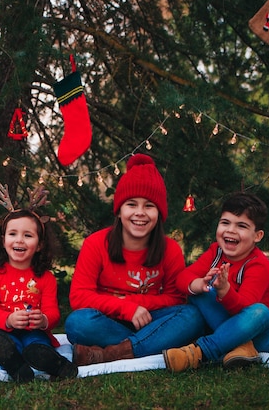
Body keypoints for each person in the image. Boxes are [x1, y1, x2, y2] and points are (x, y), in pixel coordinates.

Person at [65, 154, 206, 365]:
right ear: (120, 210)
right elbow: (79, 296)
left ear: (159, 212)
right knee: (78, 323)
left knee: (192, 316)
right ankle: (149, 345)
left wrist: (136, 305)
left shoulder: (170, 249)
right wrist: (125, 308)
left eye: (149, 206)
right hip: (108, 319)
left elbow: (176, 298)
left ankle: (111, 353)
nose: (140, 213)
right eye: (131, 204)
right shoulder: (96, 243)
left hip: (149, 320)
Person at [162, 192, 269, 372]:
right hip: (224, 326)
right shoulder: (216, 252)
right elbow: (183, 278)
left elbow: (245, 308)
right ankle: (240, 348)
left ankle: (197, 354)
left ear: (257, 236)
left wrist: (225, 291)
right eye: (225, 223)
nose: (230, 230)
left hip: (256, 335)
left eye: (241, 226)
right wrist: (199, 284)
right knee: (201, 291)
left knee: (261, 312)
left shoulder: (258, 264)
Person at [0, 208, 77, 382]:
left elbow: (53, 313)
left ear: (40, 244)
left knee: (37, 345)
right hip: (0, 330)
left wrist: (43, 320)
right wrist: (8, 319)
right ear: (3, 241)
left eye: (28, 235)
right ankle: (16, 366)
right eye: (13, 234)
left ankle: (56, 364)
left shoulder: (46, 277)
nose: (19, 240)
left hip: (33, 332)